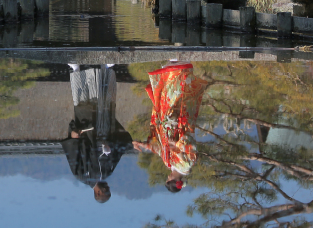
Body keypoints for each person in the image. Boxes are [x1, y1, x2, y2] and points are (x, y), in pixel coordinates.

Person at [132, 60, 208, 193]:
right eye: (169, 179)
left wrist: (143, 144)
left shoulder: (169, 164)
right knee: (177, 96)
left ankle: (168, 69)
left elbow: (159, 148)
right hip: (178, 125)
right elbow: (192, 145)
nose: (168, 176)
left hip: (165, 124)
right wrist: (177, 144)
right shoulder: (187, 165)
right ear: (174, 180)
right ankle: (179, 68)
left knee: (165, 97)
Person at [61, 64, 132, 203]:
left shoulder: (82, 175)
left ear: (97, 193)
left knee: (82, 100)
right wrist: (125, 145)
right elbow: (117, 152)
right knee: (105, 100)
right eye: (109, 190)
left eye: (105, 191)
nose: (107, 187)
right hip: (104, 130)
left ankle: (76, 70)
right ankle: (106, 69)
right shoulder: (108, 171)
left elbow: (73, 154)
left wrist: (73, 137)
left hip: (88, 133)